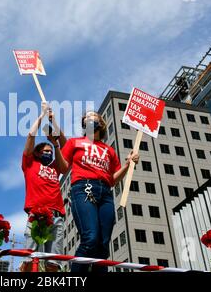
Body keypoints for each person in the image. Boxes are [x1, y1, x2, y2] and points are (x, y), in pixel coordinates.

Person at [54, 111, 140, 272]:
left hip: (106, 193)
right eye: (86, 118)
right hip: (83, 188)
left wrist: (128, 165)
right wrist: (56, 146)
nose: (88, 118)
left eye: (92, 116)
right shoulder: (74, 142)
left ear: (101, 122)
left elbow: (113, 180)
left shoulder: (109, 150)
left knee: (103, 246)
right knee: (90, 238)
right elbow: (63, 168)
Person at [20, 102, 67, 272]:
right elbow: (31, 135)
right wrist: (42, 115)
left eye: (50, 152)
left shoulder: (55, 167)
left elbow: (65, 165)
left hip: (56, 216)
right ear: (37, 153)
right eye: (45, 151)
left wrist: (55, 143)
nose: (49, 153)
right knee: (28, 257)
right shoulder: (30, 163)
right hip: (37, 214)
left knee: (53, 262)